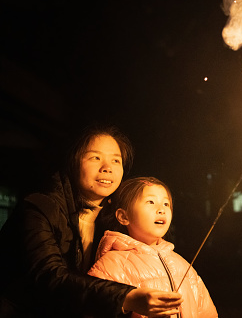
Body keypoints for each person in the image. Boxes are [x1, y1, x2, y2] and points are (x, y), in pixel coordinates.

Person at [0, 125, 183, 318]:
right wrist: (126, 298)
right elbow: (48, 275)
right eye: (95, 157)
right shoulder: (41, 206)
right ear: (73, 162)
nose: (107, 168)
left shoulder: (113, 219)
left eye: (116, 160)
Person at [88, 176, 218, 318]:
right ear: (123, 217)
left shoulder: (182, 265)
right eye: (151, 202)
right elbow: (94, 307)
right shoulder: (111, 265)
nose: (161, 210)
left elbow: (206, 312)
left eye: (166, 204)